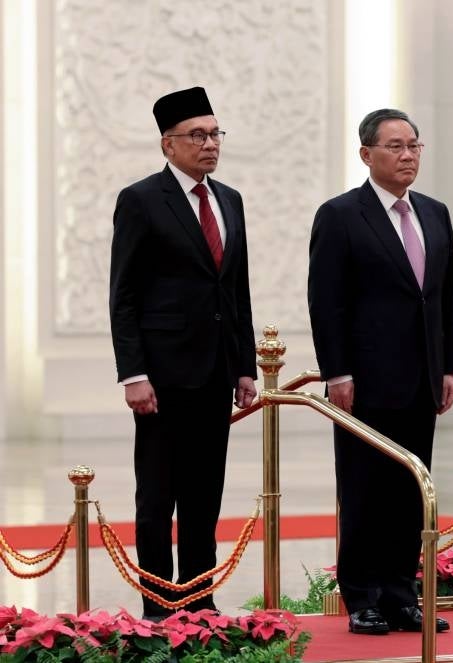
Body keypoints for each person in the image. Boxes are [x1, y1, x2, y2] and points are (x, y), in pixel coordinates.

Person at [307, 108, 453, 635]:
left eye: (414, 146)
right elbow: (326, 302)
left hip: (423, 378)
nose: (407, 155)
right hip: (365, 382)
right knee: (364, 489)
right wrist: (337, 372)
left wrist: (450, 368)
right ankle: (363, 597)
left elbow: (444, 299)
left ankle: (402, 594)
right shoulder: (341, 215)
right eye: (395, 146)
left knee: (410, 490)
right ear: (366, 154)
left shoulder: (435, 213)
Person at [109, 86, 258, 621]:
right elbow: (123, 295)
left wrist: (244, 365)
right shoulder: (142, 200)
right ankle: (157, 604)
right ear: (168, 144)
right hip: (163, 375)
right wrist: (134, 373)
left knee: (203, 495)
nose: (210, 144)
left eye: (216, 133)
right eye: (198, 135)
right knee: (157, 497)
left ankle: (198, 599)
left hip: (216, 373)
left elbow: (235, 290)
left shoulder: (230, 200)